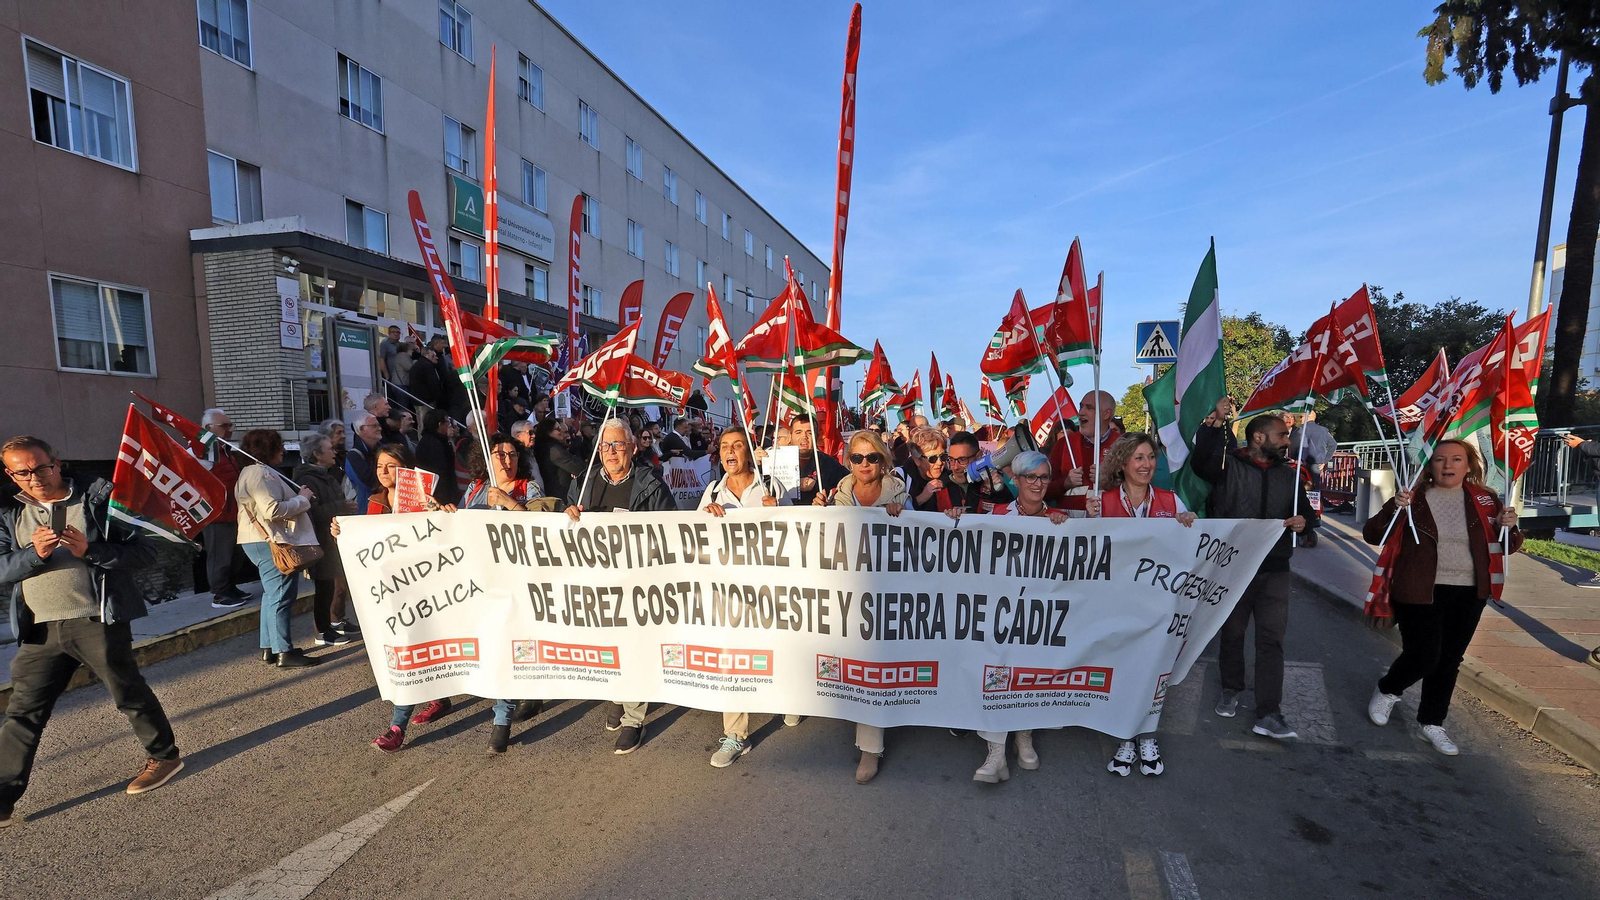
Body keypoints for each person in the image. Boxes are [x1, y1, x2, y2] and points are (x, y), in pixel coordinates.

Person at [0, 436, 185, 824]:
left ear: (57, 462)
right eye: (23, 472)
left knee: (127, 692)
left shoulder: (99, 498)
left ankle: (164, 757)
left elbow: (145, 551)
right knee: (22, 714)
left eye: (41, 468)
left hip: (96, 618)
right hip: (40, 628)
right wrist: (34, 553)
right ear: (10, 474)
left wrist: (92, 551)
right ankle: (3, 795)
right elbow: (2, 569)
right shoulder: (8, 513)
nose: (34, 479)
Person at [1363, 439, 1522, 755]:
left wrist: (1510, 528)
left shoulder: (1485, 498)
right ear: (1429, 465)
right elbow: (1374, 535)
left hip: (1469, 591)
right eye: (1439, 459)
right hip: (1419, 588)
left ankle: (1431, 723)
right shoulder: (1413, 497)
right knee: (1424, 655)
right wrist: (1394, 506)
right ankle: (1388, 689)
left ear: (1469, 465)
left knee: (1449, 659)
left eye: (1456, 459)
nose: (1448, 466)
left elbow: (1506, 546)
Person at [946, 450, 1089, 784]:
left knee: (1030, 670)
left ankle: (1024, 735)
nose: (1038, 484)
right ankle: (996, 753)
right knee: (995, 672)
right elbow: (964, 534)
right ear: (1018, 480)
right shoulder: (995, 512)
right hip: (997, 614)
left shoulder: (1059, 518)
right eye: (1030, 477)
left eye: (1043, 477)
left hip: (1037, 616)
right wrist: (952, 516)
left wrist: (1065, 527)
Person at [1193, 399, 1316, 740]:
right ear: (1258, 438)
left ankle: (1269, 712)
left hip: (1275, 570)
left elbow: (1310, 517)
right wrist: (1214, 423)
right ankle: (1231, 688)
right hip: (1233, 567)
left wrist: (1304, 523)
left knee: (1271, 640)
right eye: (1281, 435)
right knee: (1232, 632)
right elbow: (1200, 462)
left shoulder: (1290, 477)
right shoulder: (1227, 467)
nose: (1287, 441)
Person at [566, 419, 678, 754]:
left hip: (636, 584)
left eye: (617, 445)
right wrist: (568, 512)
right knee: (607, 645)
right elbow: (565, 529)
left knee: (633, 647)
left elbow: (670, 530)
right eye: (605, 446)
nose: (611, 451)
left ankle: (633, 720)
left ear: (632, 447)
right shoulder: (583, 483)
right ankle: (618, 693)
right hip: (598, 585)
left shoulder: (650, 485)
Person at [1095, 433, 1197, 776]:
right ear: (1123, 463)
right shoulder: (1102, 502)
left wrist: (1189, 523)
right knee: (1123, 672)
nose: (1146, 464)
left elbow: (1195, 543)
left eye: (1150, 457)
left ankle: (1147, 736)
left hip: (1159, 607)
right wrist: (1087, 519)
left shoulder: (1171, 501)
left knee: (1154, 673)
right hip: (1116, 606)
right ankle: (1126, 737)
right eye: (1138, 458)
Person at [815, 430, 909, 784]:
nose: (865, 464)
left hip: (885, 590)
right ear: (848, 460)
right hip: (844, 590)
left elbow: (919, 538)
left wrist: (904, 514)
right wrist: (817, 516)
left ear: (883, 459)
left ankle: (870, 748)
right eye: (858, 458)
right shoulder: (837, 493)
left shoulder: (898, 491)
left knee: (874, 662)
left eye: (872, 458)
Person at [697, 426, 788, 767]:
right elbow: (695, 539)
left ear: (749, 453)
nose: (730, 451)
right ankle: (736, 735)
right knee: (732, 656)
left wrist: (777, 510)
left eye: (737, 446)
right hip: (731, 592)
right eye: (724, 447)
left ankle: (788, 701)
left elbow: (797, 534)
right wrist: (706, 517)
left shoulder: (769, 486)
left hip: (769, 588)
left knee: (776, 649)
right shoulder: (712, 491)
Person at [235, 430, 321, 669]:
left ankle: (270, 647)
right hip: (270, 540)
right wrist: (302, 499)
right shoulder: (261, 473)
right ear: (267, 449)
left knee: (272, 595)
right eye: (279, 446)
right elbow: (271, 510)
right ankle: (284, 651)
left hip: (257, 540)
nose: (283, 450)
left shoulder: (250, 472)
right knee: (281, 596)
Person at [293, 433, 356, 647]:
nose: (334, 452)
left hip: (333, 537)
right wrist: (341, 506)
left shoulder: (326, 474)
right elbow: (311, 511)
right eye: (329, 448)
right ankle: (323, 630)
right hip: (320, 539)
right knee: (324, 585)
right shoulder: (307, 479)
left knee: (335, 583)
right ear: (317, 454)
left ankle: (336, 621)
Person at [196, 409, 252, 610]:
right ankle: (220, 593)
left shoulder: (223, 450)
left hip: (234, 511)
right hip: (217, 513)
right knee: (220, 555)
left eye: (230, 425)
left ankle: (230, 587)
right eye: (224, 426)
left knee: (235, 554)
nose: (229, 430)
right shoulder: (201, 451)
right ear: (208, 428)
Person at [1046, 390, 1122, 506]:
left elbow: (1140, 488)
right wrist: (1065, 483)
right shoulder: (1064, 444)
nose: (1081, 412)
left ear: (1106, 414)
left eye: (1089, 408)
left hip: (1111, 521)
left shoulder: (1125, 444)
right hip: (1071, 522)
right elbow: (1043, 489)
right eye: (1081, 407)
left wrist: (1109, 482)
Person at [1288, 411, 1337, 547]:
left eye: (1302, 416)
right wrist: (1325, 460)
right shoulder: (1323, 430)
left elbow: (1298, 448)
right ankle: (1315, 514)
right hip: (1317, 464)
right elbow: (1333, 445)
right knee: (1314, 490)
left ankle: (1299, 514)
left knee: (1299, 490)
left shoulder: (1300, 431)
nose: (1300, 419)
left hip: (1302, 464)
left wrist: (1296, 459)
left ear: (1308, 417)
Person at [948, 430, 1011, 512]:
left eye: (962, 459)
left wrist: (997, 493)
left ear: (979, 456)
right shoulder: (940, 488)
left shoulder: (991, 482)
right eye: (951, 459)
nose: (955, 467)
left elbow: (1009, 515)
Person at [792, 420, 847, 506]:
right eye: (798, 432)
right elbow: (765, 487)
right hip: (781, 517)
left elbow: (851, 481)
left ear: (817, 437)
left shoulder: (826, 462)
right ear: (790, 436)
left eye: (810, 433)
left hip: (816, 517)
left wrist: (832, 502)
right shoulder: (775, 461)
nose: (804, 437)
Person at [415, 408, 462, 506]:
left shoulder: (431, 441)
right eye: (447, 422)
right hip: (440, 496)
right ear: (440, 424)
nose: (449, 425)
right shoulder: (434, 444)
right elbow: (441, 472)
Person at [535, 417, 585, 502]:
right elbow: (579, 467)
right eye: (558, 429)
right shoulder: (554, 450)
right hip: (559, 496)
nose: (561, 432)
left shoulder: (546, 447)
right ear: (549, 432)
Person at [346, 413, 383, 511]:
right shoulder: (354, 456)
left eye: (379, 425)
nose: (379, 428)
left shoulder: (384, 450)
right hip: (365, 509)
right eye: (374, 426)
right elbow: (370, 484)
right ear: (362, 429)